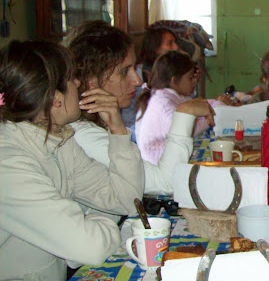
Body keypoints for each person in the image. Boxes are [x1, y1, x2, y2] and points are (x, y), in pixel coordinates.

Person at [0, 40, 143, 281]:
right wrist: (92, 220)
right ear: (54, 97)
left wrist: (118, 131)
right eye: (71, 78)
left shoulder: (58, 141)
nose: (78, 83)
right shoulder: (8, 165)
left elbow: (128, 201)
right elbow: (89, 248)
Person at [66, 20, 214, 197]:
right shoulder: (85, 136)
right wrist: (184, 114)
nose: (137, 81)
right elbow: (166, 183)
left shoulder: (101, 122)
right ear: (92, 81)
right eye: (124, 71)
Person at [135, 50, 220, 165]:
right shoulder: (162, 103)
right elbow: (185, 131)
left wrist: (216, 103)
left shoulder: (170, 95)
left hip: (166, 159)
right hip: (158, 165)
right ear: (174, 81)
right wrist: (208, 119)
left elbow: (194, 104)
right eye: (190, 78)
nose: (195, 81)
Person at [121, 26, 180, 137]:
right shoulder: (138, 75)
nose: (176, 47)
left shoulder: (170, 72)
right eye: (170, 43)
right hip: (134, 132)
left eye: (175, 42)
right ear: (155, 48)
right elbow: (129, 118)